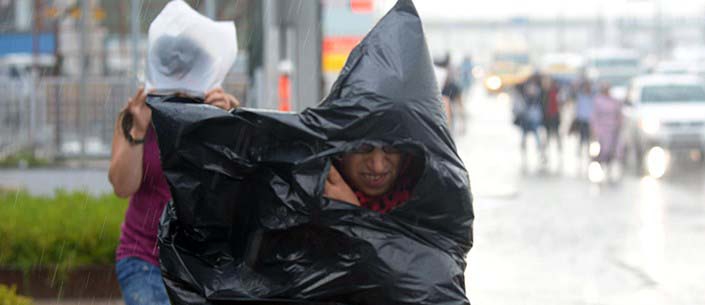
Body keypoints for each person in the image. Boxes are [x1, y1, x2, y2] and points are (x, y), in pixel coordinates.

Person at [108, 87, 238, 305]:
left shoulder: (224, 108)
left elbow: (236, 185)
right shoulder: (138, 111)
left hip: (203, 264)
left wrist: (224, 125)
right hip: (144, 259)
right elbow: (122, 187)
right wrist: (138, 132)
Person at [324, 143, 419, 213]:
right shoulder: (317, 193)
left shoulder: (425, 201)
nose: (378, 167)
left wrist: (351, 216)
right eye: (362, 147)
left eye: (392, 147)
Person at [590, 82, 623, 181]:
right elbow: (595, 116)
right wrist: (594, 129)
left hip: (613, 129)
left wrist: (619, 124)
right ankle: (602, 164)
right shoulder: (598, 100)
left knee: (613, 149)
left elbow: (619, 113)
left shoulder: (614, 101)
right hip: (602, 129)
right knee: (604, 149)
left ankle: (609, 165)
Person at [541, 76, 563, 166]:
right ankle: (545, 153)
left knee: (557, 134)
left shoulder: (556, 91)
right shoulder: (543, 93)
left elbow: (560, 103)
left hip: (555, 116)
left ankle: (559, 151)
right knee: (547, 135)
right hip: (547, 117)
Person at [573, 80, 594, 163]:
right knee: (581, 137)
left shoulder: (592, 97)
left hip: (589, 120)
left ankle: (589, 152)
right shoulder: (581, 96)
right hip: (582, 120)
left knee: (589, 137)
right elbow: (578, 108)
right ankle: (580, 152)